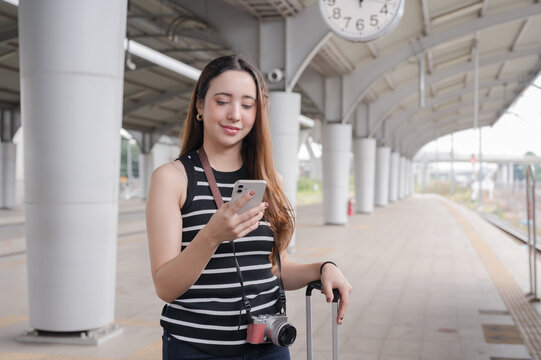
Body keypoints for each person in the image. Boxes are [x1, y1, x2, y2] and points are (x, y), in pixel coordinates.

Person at [146, 55, 352, 360]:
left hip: (268, 345)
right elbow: (165, 286)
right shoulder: (173, 178)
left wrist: (323, 268)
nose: (235, 115)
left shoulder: (269, 179)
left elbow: (272, 269)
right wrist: (211, 236)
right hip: (195, 348)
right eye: (222, 101)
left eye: (247, 104)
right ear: (200, 106)